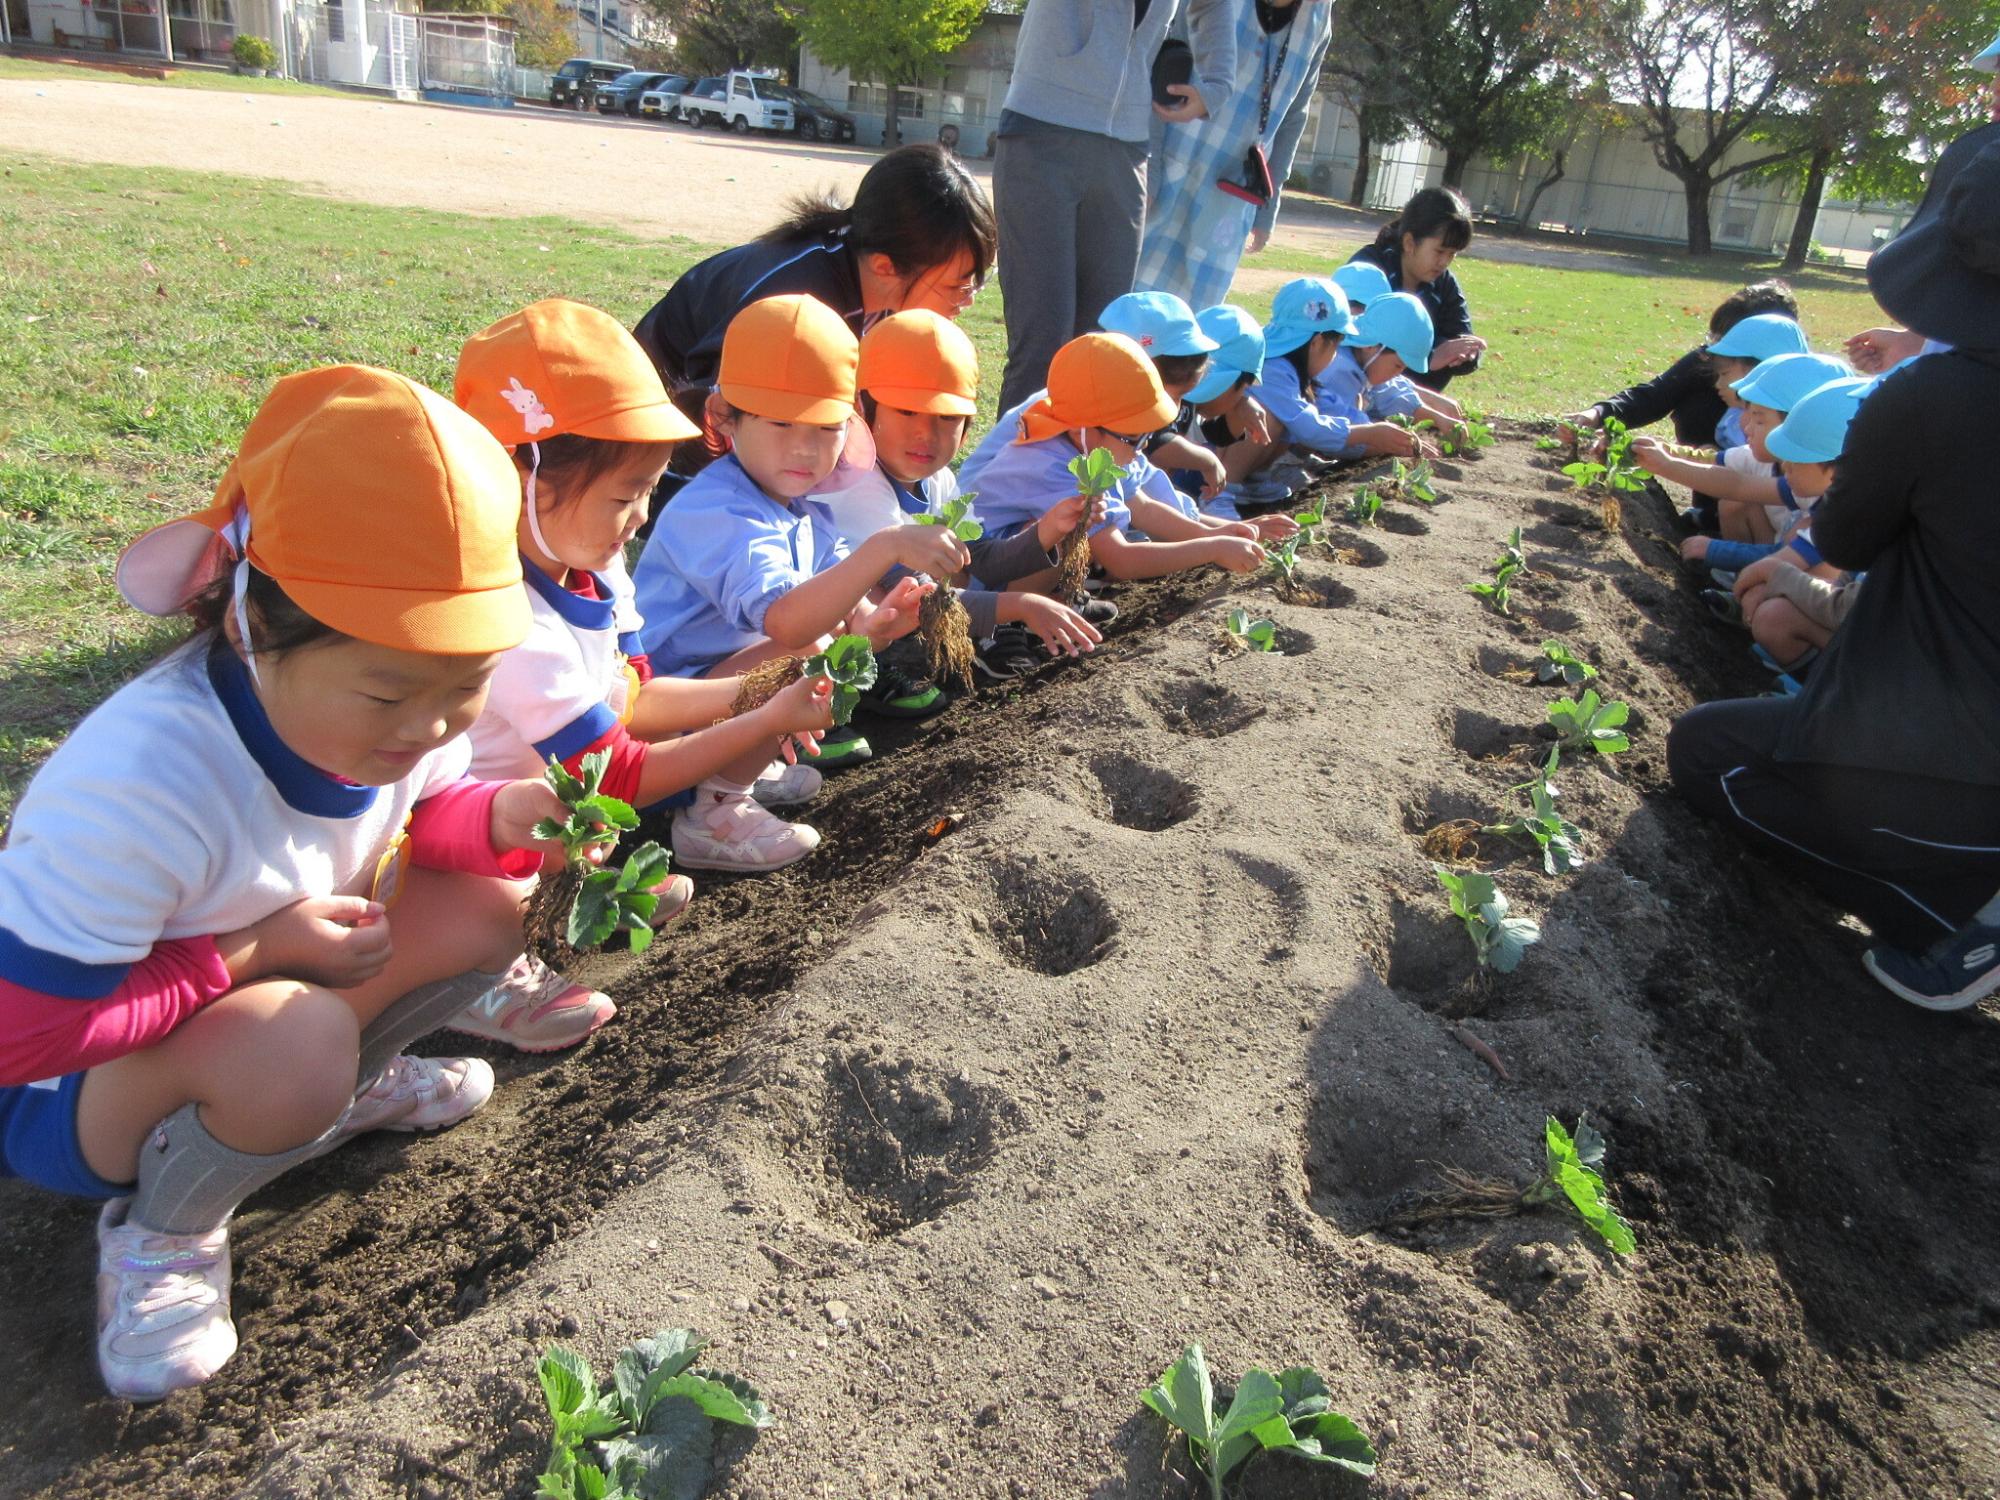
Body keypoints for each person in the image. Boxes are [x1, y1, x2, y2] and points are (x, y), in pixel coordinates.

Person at [0, 365, 581, 1400]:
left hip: (258, 1005)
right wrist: (260, 952)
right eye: (389, 691)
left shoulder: (407, 717)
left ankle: (337, 1091)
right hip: (67, 1098)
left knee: (490, 907)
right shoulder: (139, 788)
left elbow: (423, 812)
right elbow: (24, 1038)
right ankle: (164, 1233)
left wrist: (498, 820)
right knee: (298, 1040)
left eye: (468, 685)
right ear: (249, 623)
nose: (430, 725)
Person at [1667, 139, 2000, 1007]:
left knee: (1708, 754)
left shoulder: (1930, 399)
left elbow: (1842, 540)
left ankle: (1951, 915)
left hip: (1953, 735)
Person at [453, 299, 838, 990]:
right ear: (518, 477)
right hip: (473, 834)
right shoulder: (513, 622)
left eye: (648, 493)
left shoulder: (594, 568)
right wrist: (764, 718)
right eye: (621, 498)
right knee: (485, 911)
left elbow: (635, 697)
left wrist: (763, 685)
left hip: (548, 812)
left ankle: (575, 884)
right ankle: (485, 980)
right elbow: (622, 772)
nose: (637, 521)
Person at [630, 295, 969, 856]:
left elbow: (838, 596)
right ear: (725, 420)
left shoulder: (802, 503)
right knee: (808, 649)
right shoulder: (718, 509)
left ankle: (735, 769)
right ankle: (712, 812)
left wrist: (877, 622)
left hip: (715, 694)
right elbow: (789, 623)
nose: (807, 448)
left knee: (827, 645)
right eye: (781, 422)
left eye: (827, 426)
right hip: (658, 722)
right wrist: (884, 547)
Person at [631, 143, 997, 465]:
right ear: (886, 267)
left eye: (978, 281)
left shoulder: (872, 279)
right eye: (957, 285)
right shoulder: (798, 307)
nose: (967, 300)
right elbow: (716, 404)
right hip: (660, 436)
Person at [812, 310, 1106, 684]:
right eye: (906, 411)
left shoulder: (939, 478)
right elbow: (913, 594)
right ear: (862, 409)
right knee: (888, 583)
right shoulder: (857, 485)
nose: (926, 433)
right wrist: (1018, 605)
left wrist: (1048, 530)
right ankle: (890, 671)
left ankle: (968, 640)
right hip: (849, 628)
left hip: (921, 608)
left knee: (957, 559)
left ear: (967, 427)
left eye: (947, 417)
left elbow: (983, 558)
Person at [991, 0, 1239, 414]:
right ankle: (1014, 475)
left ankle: (1078, 477)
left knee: (1102, 344)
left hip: (1126, 149)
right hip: (1040, 133)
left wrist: (1216, 86)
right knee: (1042, 344)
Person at [970, 331, 1267, 591]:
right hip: (980, 575)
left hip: (1010, 561)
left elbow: (1146, 509)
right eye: (1135, 436)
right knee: (1066, 526)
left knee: (1079, 525)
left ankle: (1056, 597)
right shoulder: (1051, 465)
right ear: (1082, 429)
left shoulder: (1101, 446)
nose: (1145, 445)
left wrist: (1217, 534)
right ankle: (1007, 629)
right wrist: (1211, 549)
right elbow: (1121, 559)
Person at [1134, 0, 1334, 311]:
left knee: (1195, 329)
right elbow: (1156, 61)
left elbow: (1295, 115)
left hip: (1230, 198)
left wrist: (1268, 207)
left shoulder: (1319, 17)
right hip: (1165, 175)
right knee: (1125, 312)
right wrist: (1148, 166)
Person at [1564, 280, 1801, 531]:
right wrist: (1601, 418)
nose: (1713, 351)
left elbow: (1744, 483)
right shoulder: (1717, 363)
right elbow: (1656, 395)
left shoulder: (1797, 434)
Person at [1248, 278, 1432, 459]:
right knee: (1268, 419)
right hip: (1227, 460)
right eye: (1336, 347)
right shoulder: (1274, 371)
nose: (1337, 355)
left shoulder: (1288, 367)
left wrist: (1374, 431)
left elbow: (1327, 406)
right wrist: (1369, 434)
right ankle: (1233, 483)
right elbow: (1310, 428)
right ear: (1317, 342)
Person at [1346, 187, 1484, 390]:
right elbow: (1354, 343)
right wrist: (1430, 357)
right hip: (1356, 390)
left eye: (1453, 254)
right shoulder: (1368, 270)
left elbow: (1460, 335)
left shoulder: (1445, 284)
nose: (1445, 262)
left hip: (1415, 401)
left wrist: (1467, 354)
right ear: (1410, 242)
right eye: (1440, 251)